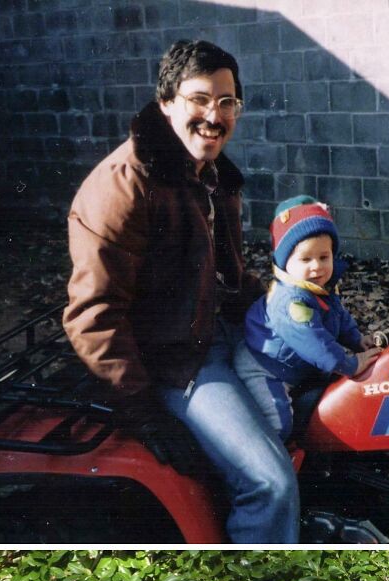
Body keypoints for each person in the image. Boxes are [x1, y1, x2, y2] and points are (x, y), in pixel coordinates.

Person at [62, 40, 299, 544]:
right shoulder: (125, 186)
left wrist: (299, 313)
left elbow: (227, 280)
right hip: (177, 360)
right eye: (199, 99)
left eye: (227, 101)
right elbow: (93, 315)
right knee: (270, 482)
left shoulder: (206, 173)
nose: (214, 116)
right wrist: (145, 412)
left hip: (216, 332)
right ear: (166, 101)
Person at [233, 196, 381, 441]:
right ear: (285, 262)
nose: (316, 267)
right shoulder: (291, 301)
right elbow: (314, 341)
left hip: (295, 365)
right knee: (278, 424)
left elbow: (338, 317)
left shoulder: (317, 288)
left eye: (324, 257)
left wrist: (356, 340)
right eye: (305, 259)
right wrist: (350, 364)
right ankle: (266, 457)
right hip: (265, 367)